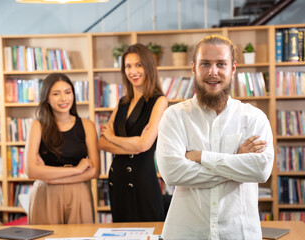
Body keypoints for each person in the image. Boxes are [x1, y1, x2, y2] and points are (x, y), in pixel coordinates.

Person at [156, 35, 274, 239]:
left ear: (233, 68)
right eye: (205, 64)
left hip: (238, 232)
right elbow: (173, 174)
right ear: (193, 68)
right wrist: (237, 162)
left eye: (221, 64)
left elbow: (261, 170)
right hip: (186, 233)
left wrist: (201, 156)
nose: (213, 72)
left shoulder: (254, 117)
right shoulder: (174, 116)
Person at [98, 43, 168, 222]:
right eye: (128, 66)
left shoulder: (159, 101)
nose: (133, 71)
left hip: (143, 181)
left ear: (148, 67)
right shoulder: (122, 102)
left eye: (138, 65)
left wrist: (113, 138)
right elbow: (101, 142)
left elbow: (144, 145)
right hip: (117, 180)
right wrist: (134, 144)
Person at [25, 73, 99, 224]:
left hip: (79, 192)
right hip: (46, 194)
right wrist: (77, 170)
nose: (64, 99)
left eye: (67, 92)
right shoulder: (37, 126)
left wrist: (52, 177)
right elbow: (31, 171)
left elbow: (95, 171)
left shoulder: (87, 125)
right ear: (46, 97)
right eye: (56, 94)